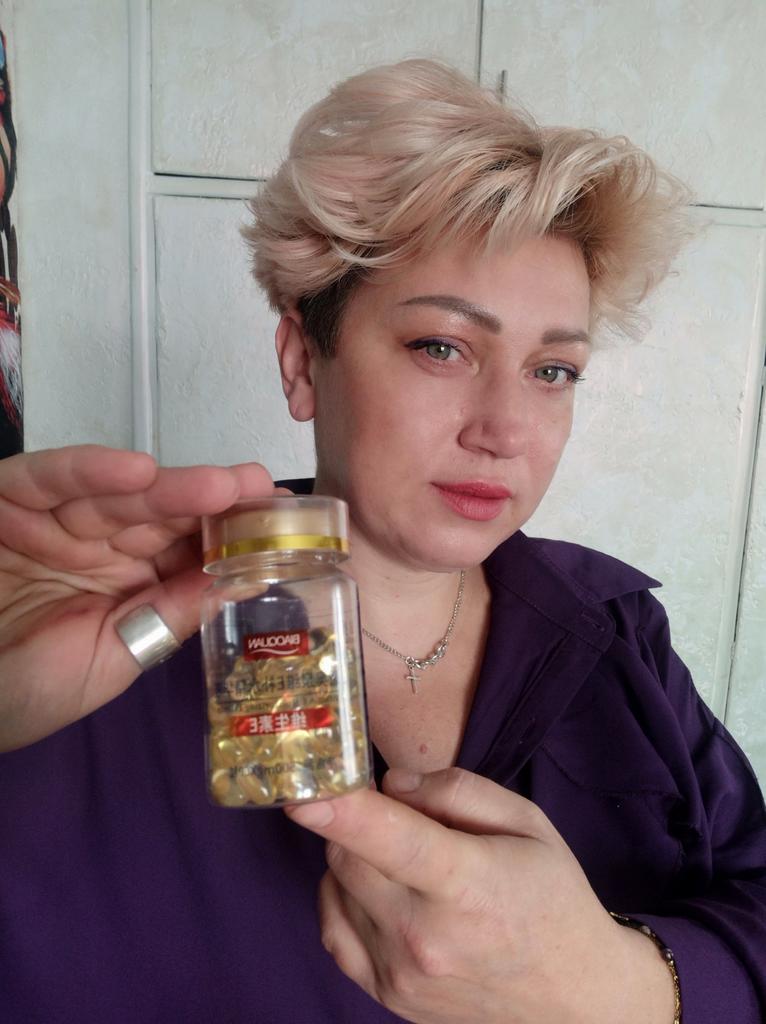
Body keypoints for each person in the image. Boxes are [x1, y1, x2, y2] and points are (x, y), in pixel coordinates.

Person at [1, 58, 764, 1024]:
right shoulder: (91, 642)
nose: (505, 429)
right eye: (442, 347)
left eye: (553, 370)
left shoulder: (618, 632)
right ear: (301, 361)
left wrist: (624, 987)